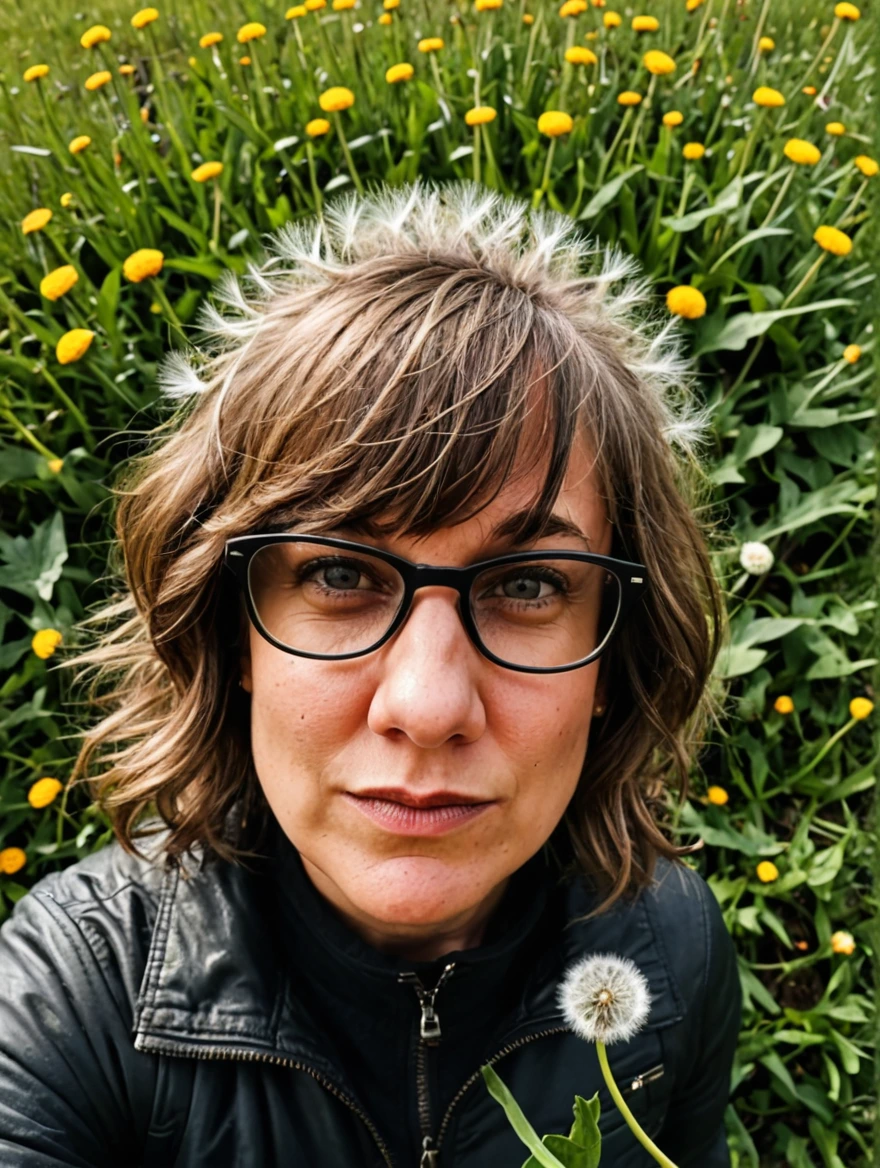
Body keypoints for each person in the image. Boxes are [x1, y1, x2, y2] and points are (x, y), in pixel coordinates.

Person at [0, 180, 741, 1168]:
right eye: (339, 574)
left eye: (526, 583)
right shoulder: (73, 997)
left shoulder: (672, 952)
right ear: (232, 634)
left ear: (615, 649)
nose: (428, 706)